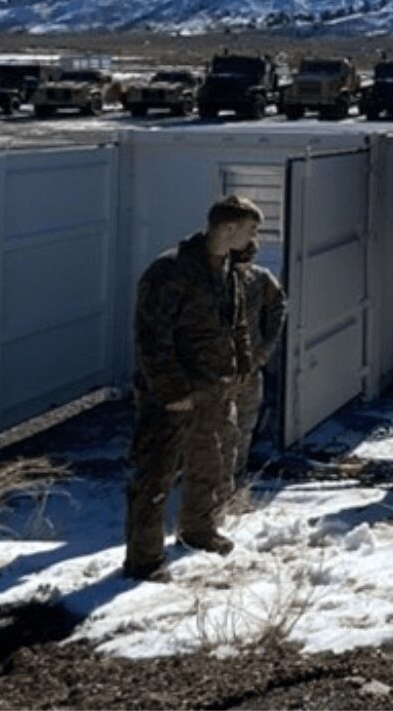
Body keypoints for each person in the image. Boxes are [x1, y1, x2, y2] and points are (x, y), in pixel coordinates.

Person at [122, 195, 265, 581]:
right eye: (251, 229)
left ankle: (199, 531)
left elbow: (236, 325)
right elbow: (152, 338)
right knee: (156, 474)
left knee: (209, 465)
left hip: (214, 391)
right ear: (229, 228)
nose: (255, 238)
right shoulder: (170, 271)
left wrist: (242, 366)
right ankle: (144, 560)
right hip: (171, 398)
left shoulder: (228, 269)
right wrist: (173, 392)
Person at [223, 240, 286, 512]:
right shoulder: (214, 281)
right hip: (217, 371)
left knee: (244, 428)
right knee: (218, 432)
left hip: (248, 369)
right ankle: (216, 491)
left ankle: (235, 489)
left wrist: (266, 348)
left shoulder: (259, 279)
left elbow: (278, 306)